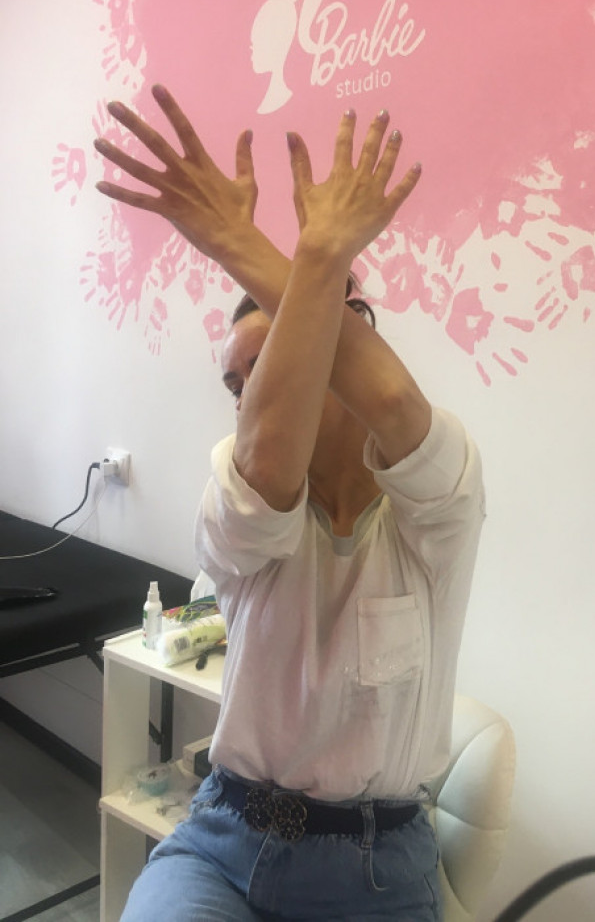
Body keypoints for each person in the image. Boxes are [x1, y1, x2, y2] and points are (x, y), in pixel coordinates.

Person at [94, 85, 485, 921]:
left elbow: (390, 401)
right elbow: (271, 458)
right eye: (237, 384)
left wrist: (297, 259)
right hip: (224, 840)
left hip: (381, 868)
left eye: (270, 363)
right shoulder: (236, 491)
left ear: (340, 347)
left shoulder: (437, 506)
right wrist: (301, 256)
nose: (249, 395)